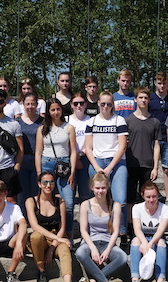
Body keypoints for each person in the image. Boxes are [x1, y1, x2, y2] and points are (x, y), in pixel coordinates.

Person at [85, 90, 128, 245]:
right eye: (102, 103)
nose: (105, 106)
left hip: (116, 163)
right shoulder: (91, 122)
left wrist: (109, 168)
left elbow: (122, 147)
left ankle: (122, 233)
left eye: (109, 104)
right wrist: (97, 167)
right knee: (98, 198)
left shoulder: (119, 121)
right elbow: (88, 148)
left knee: (120, 199)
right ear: (98, 104)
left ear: (113, 105)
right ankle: (97, 232)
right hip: (97, 162)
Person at [26, 171, 76, 282]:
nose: (48, 185)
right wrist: (59, 239)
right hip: (41, 239)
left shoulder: (60, 201)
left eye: (51, 182)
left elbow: (62, 228)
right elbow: (35, 226)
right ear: (39, 184)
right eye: (45, 182)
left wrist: (52, 248)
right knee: (35, 236)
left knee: (65, 249)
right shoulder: (31, 201)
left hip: (56, 238)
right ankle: (41, 272)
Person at [75, 172, 127, 282]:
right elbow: (83, 230)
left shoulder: (115, 205)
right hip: (90, 241)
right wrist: (93, 248)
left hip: (107, 241)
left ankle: (93, 281)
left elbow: (115, 231)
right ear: (92, 188)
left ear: (107, 187)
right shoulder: (85, 205)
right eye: (97, 188)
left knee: (123, 257)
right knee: (80, 252)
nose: (100, 191)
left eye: (103, 188)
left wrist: (108, 250)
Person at [35, 98, 77, 238]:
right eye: (53, 109)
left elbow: (73, 151)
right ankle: (47, 232)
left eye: (58, 109)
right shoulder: (42, 129)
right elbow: (38, 152)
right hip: (47, 163)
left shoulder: (69, 127)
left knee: (68, 201)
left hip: (64, 164)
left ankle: (68, 233)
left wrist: (72, 171)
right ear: (48, 111)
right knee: (47, 199)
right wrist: (39, 172)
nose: (56, 112)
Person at [129, 181, 168, 282]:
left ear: (158, 195)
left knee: (162, 243)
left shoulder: (166, 208)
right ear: (142, 196)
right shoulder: (137, 208)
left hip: (157, 238)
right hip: (142, 237)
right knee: (135, 242)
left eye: (154, 196)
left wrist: (150, 244)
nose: (151, 199)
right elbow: (137, 229)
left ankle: (160, 281)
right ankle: (135, 280)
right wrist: (144, 243)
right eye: (148, 197)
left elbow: (161, 230)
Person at [125, 87, 160, 231]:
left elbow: (157, 145)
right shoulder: (127, 120)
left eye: (146, 98)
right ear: (135, 99)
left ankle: (145, 227)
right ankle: (130, 227)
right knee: (130, 199)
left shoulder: (155, 121)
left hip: (147, 165)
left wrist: (155, 167)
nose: (143, 100)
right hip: (130, 164)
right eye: (140, 97)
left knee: (147, 198)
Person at [148, 72, 168, 205]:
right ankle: (149, 195)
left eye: (164, 83)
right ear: (155, 83)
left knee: (166, 168)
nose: (162, 86)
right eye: (159, 83)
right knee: (149, 168)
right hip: (152, 138)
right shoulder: (150, 98)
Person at [16, 92, 44, 216]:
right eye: (28, 104)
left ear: (37, 105)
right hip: (22, 158)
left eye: (33, 104)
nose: (30, 106)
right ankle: (23, 219)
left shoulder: (42, 122)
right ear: (23, 105)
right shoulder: (17, 122)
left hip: (37, 159)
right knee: (22, 192)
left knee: (36, 191)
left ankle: (36, 217)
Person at [66, 92, 92, 202]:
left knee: (86, 195)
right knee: (69, 196)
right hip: (69, 158)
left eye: (81, 103)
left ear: (86, 104)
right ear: (71, 105)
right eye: (75, 103)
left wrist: (81, 154)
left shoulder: (90, 120)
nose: (78, 106)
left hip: (86, 158)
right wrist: (75, 158)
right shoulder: (66, 120)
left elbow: (92, 140)